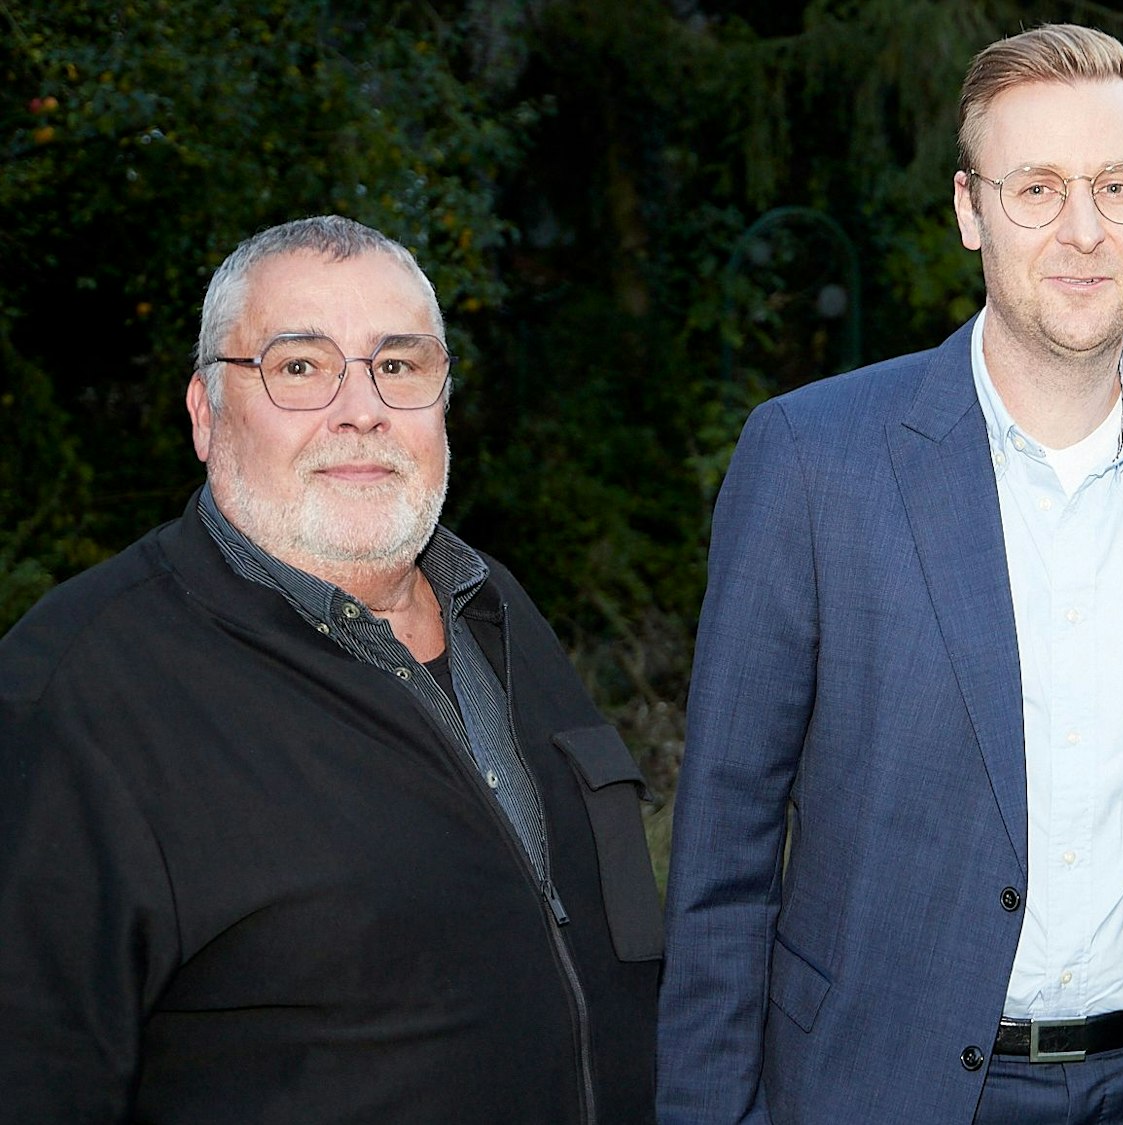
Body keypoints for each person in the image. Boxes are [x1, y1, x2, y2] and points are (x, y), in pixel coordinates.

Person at [656, 23, 1123, 1125]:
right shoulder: (811, 461)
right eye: (1034, 189)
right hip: (881, 1091)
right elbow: (723, 854)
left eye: (1115, 186)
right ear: (969, 211)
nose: (1083, 230)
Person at [0, 215, 662, 1123]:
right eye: (300, 366)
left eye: (398, 365)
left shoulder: (495, 609)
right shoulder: (76, 691)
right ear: (206, 413)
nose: (363, 408)